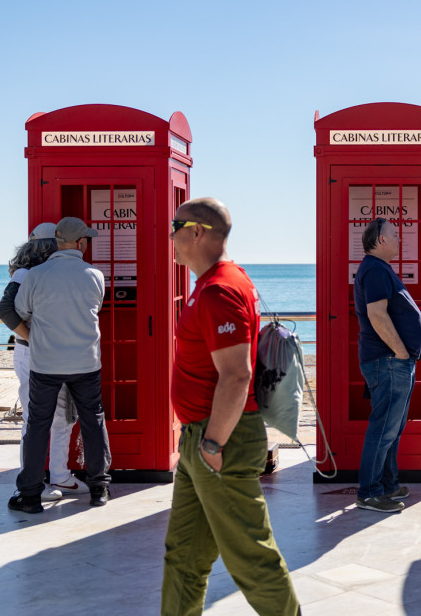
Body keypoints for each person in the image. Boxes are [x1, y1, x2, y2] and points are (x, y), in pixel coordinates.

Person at [161, 198, 299, 616]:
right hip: (198, 439)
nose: (170, 236)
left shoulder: (220, 288)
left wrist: (214, 443)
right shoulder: (210, 283)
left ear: (197, 231)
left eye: (174, 226)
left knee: (250, 557)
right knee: (183, 555)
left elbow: (237, 375)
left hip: (219, 439)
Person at [8, 216, 111, 513]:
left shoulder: (36, 275)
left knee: (37, 426)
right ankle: (99, 488)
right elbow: (96, 306)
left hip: (45, 363)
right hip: (85, 362)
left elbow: (20, 310)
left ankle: (29, 494)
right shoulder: (93, 275)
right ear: (79, 243)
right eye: (86, 240)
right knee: (93, 422)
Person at [0, 222, 87, 501]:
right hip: (34, 352)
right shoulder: (27, 274)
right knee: (37, 418)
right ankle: (31, 480)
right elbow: (4, 310)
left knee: (61, 415)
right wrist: (33, 338)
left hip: (45, 353)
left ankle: (59, 475)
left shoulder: (38, 272)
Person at [353, 217, 421, 513]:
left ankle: (388, 485)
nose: (399, 239)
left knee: (392, 429)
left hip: (393, 360)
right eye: (395, 235)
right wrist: (400, 352)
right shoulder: (375, 269)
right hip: (388, 361)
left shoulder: (379, 269)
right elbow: (377, 314)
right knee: (383, 428)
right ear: (380, 239)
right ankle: (369, 492)